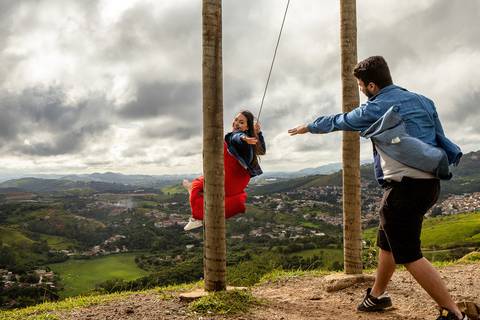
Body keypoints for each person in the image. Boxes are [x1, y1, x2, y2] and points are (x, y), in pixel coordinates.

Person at [288, 56, 467, 320]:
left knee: (408, 254)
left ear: (371, 85)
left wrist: (309, 127)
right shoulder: (423, 100)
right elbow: (439, 138)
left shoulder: (378, 106)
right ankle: (377, 297)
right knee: (387, 242)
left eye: (361, 86)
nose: (361, 91)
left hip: (405, 188)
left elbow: (341, 120)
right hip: (430, 184)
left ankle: (453, 313)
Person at [183, 110, 266, 231]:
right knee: (196, 184)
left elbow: (236, 137)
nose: (236, 123)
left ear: (247, 127)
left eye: (241, 122)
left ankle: (197, 218)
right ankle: (194, 194)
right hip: (234, 177)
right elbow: (261, 150)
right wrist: (257, 134)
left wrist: (244, 137)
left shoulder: (239, 138)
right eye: (236, 120)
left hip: (232, 178)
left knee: (196, 189)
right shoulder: (246, 140)